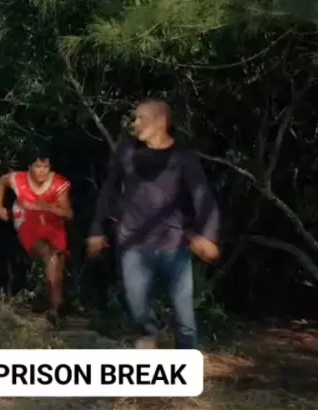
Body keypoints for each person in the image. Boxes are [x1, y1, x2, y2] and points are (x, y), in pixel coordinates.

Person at [87, 99, 221, 349]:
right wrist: (96, 229)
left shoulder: (183, 158)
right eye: (135, 118)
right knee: (138, 309)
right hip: (133, 246)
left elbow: (203, 197)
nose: (135, 123)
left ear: (161, 122)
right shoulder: (127, 153)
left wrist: (209, 236)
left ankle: (186, 359)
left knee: (184, 317)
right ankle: (150, 338)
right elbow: (109, 190)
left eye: (141, 118)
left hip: (174, 246)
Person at [0, 156, 73, 326]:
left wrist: (45, 207)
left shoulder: (58, 185)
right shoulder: (19, 179)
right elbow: (2, 181)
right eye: (38, 166)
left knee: (57, 271)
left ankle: (56, 309)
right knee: (49, 255)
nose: (42, 171)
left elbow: (68, 214)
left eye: (46, 167)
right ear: (30, 166)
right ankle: (56, 307)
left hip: (53, 228)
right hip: (28, 225)